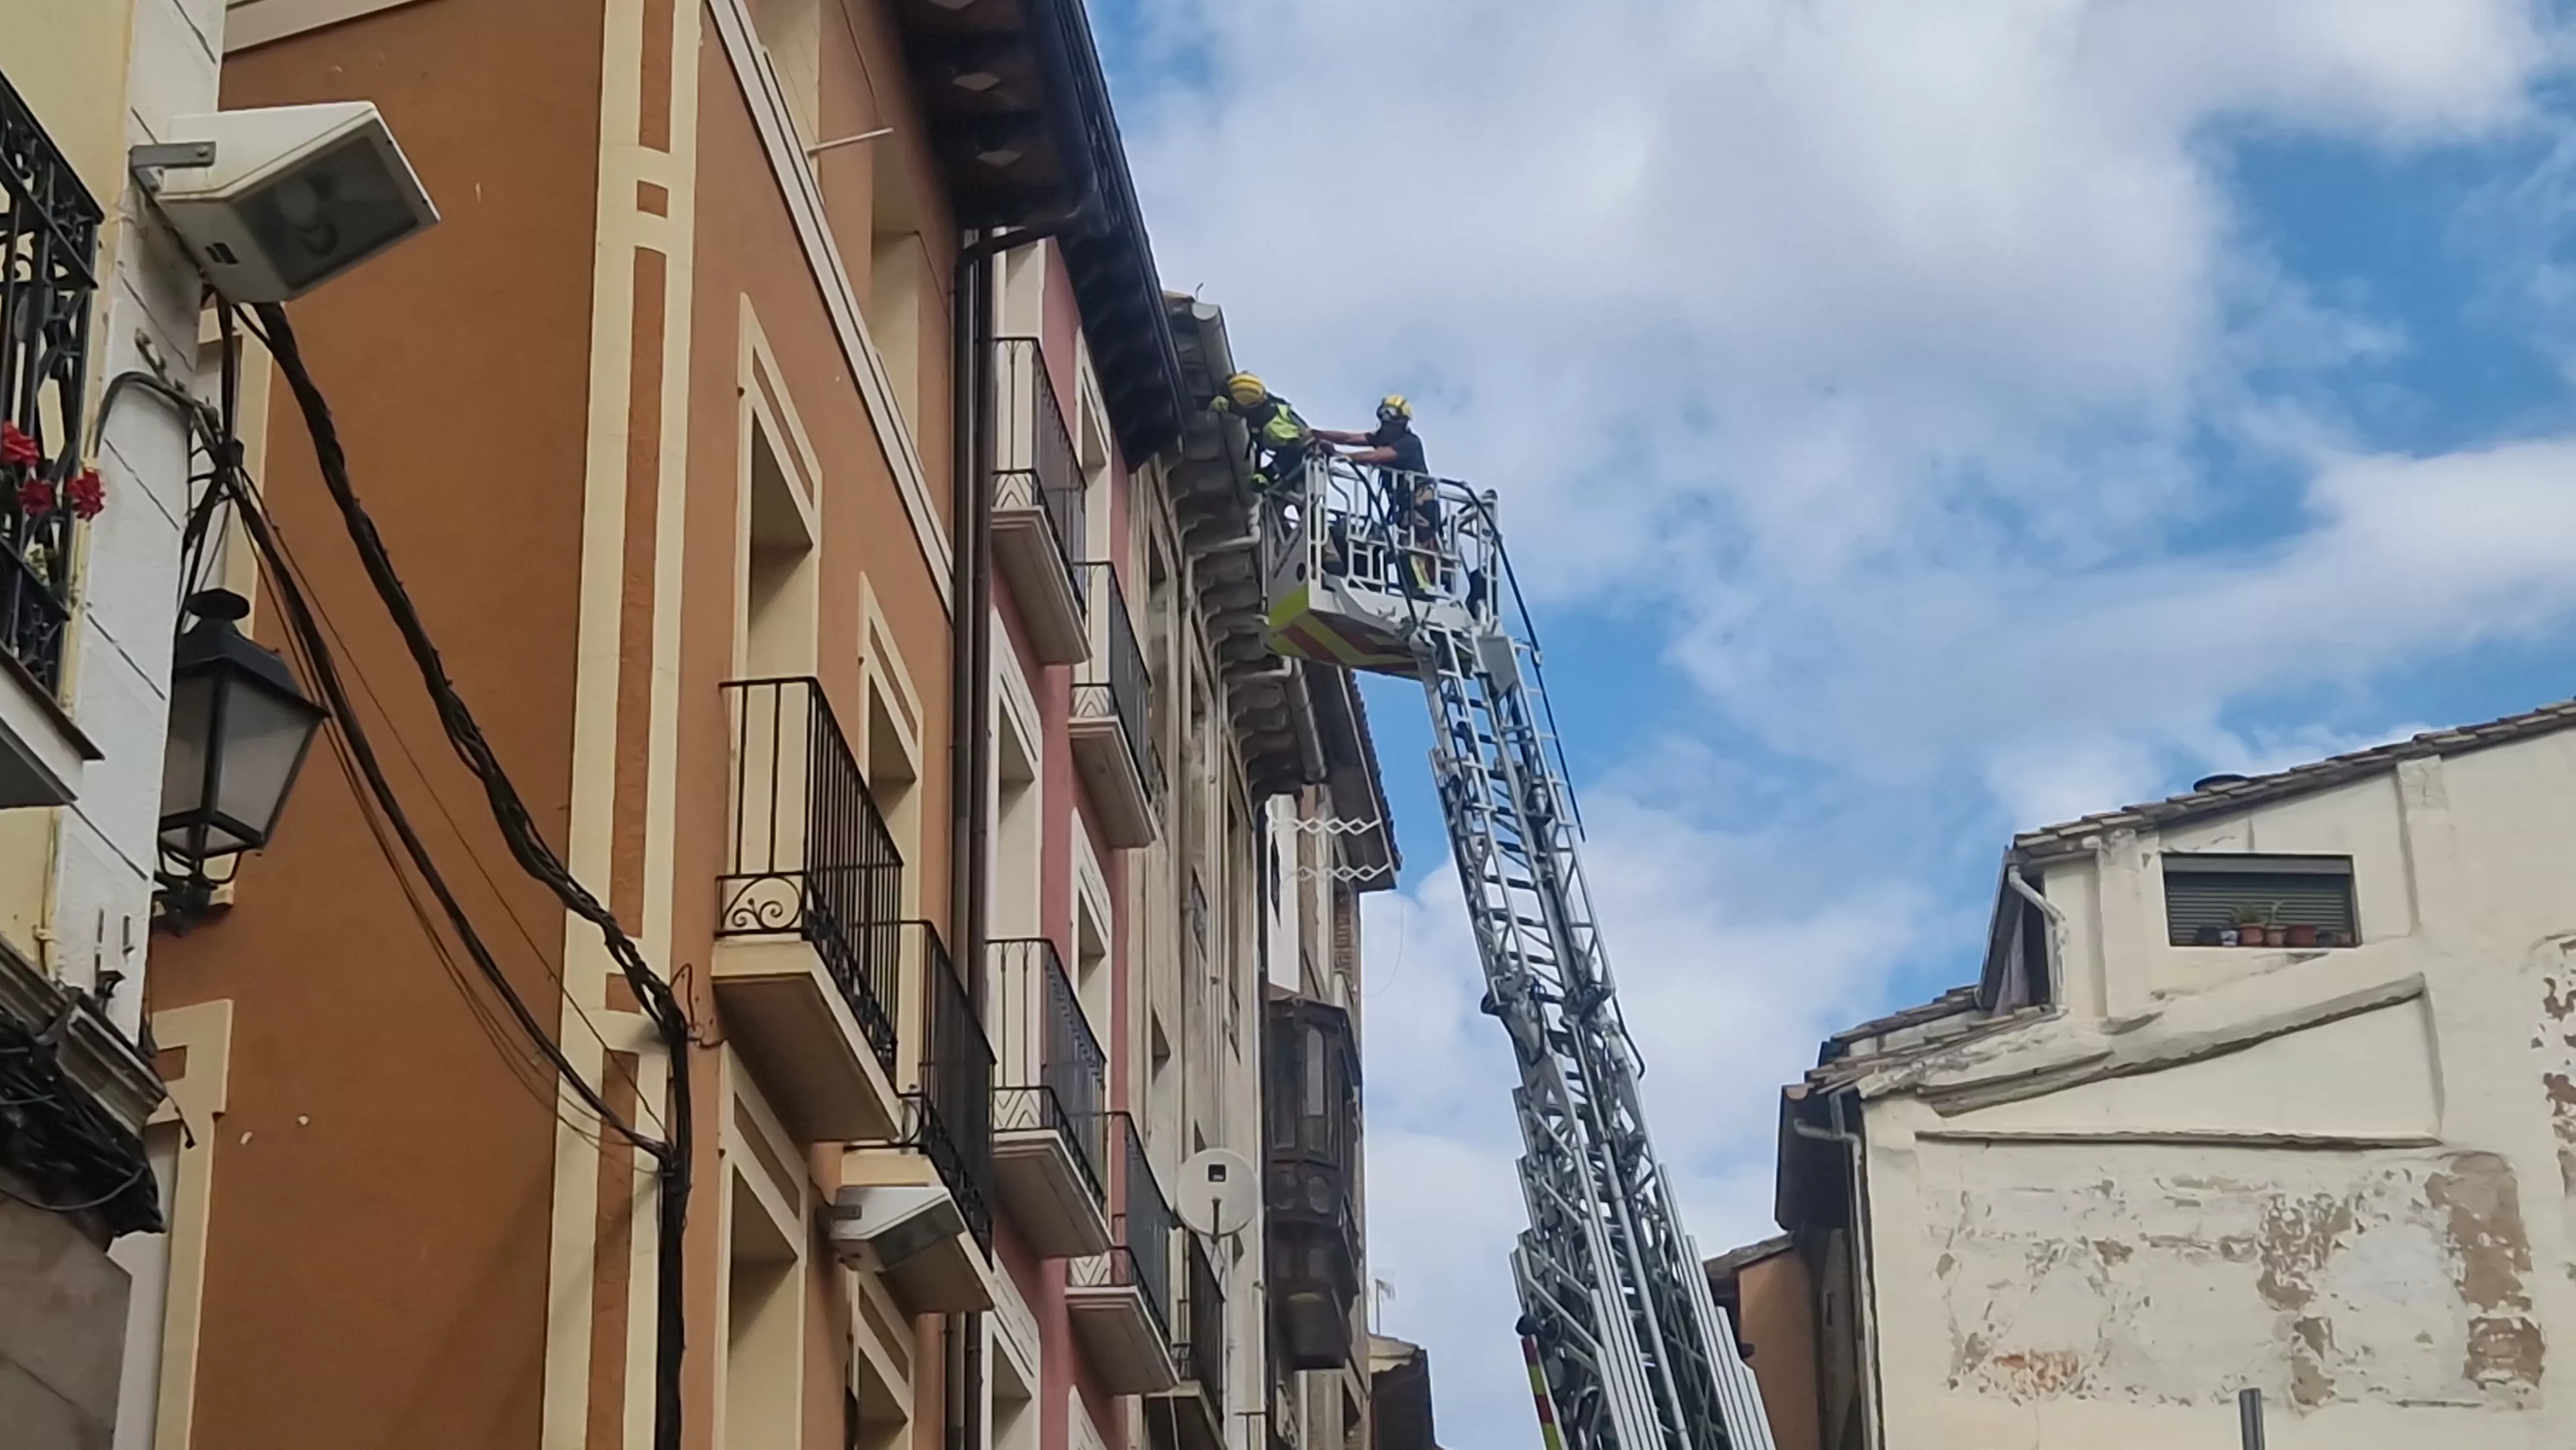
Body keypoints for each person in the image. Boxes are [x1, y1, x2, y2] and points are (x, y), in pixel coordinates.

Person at [1316, 396, 1439, 592]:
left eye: (1390, 418)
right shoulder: (1384, 436)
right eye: (1383, 417)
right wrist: (1317, 434)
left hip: (1419, 500)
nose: (1385, 423)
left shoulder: (1409, 442)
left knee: (1415, 546)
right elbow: (1348, 438)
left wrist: (1341, 456)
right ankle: (1416, 588)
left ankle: (1422, 591)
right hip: (1404, 503)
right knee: (1405, 543)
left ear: (1402, 422)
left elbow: (1377, 456)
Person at [1206, 372, 1314, 494]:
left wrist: (1267, 474)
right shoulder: (1244, 393)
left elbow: (1295, 450)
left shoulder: (1274, 428)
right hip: (1282, 450)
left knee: (1297, 491)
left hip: (1297, 464)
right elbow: (1224, 403)